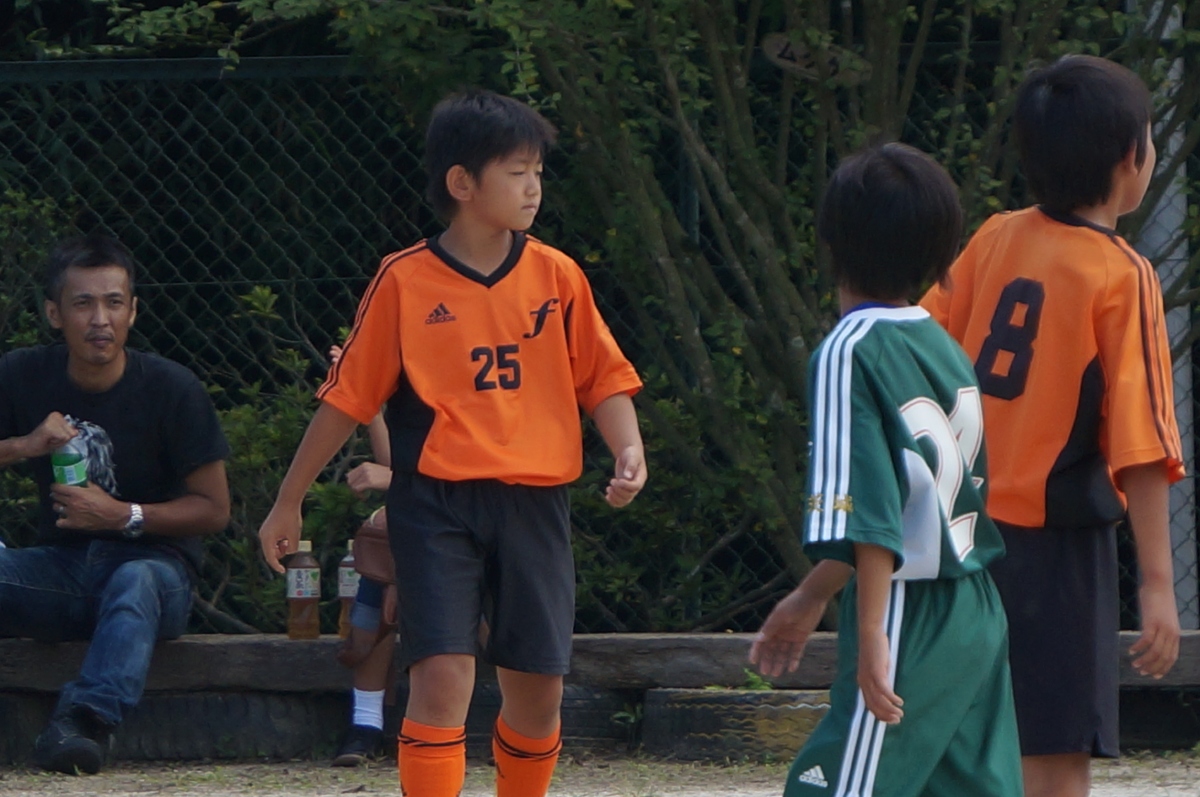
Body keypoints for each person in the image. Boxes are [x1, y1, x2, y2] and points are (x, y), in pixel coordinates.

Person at [258, 89, 646, 797]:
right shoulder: (403, 279)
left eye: (537, 172)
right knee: (441, 678)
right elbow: (347, 399)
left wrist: (629, 447)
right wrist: (289, 500)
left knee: (538, 694)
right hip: (436, 504)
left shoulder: (558, 274)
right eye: (516, 172)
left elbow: (603, 377)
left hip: (535, 503)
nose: (533, 187)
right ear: (462, 183)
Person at [920, 55, 1183, 797]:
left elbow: (923, 351)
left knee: (975, 744)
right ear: (1132, 158)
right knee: (1056, 759)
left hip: (962, 535)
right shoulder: (1122, 274)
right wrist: (1158, 585)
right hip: (1056, 551)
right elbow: (1142, 444)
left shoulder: (996, 236)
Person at [750, 143, 1022, 797]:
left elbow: (872, 512)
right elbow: (912, 507)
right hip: (974, 607)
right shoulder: (940, 344)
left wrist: (872, 631)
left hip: (907, 610)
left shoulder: (849, 350)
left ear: (832, 242)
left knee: (836, 787)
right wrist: (813, 593)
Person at [0, 233, 231, 775]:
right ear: (55, 314)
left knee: (135, 581)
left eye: (113, 303)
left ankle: (83, 723)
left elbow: (214, 509)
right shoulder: (22, 374)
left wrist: (123, 515)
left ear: (133, 311)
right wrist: (26, 445)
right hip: (60, 569)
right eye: (83, 304)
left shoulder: (173, 388)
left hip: (156, 571)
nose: (99, 319)